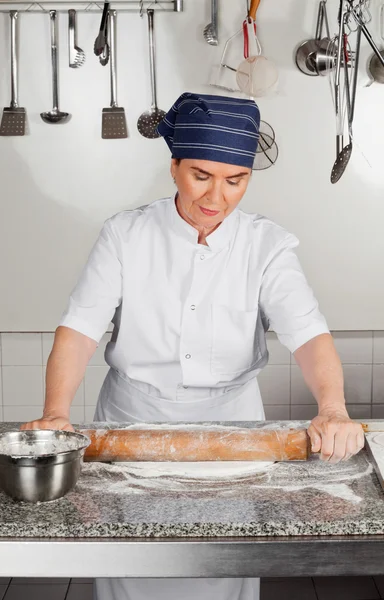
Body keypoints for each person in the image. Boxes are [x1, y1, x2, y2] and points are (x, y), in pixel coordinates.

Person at [22, 92, 365, 600]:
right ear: (174, 166)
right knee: (130, 555)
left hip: (234, 428)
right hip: (129, 422)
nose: (217, 196)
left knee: (224, 557)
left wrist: (333, 408)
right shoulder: (125, 234)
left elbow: (308, 332)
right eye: (201, 175)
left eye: (235, 180)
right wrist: (55, 413)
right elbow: (80, 329)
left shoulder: (267, 246)